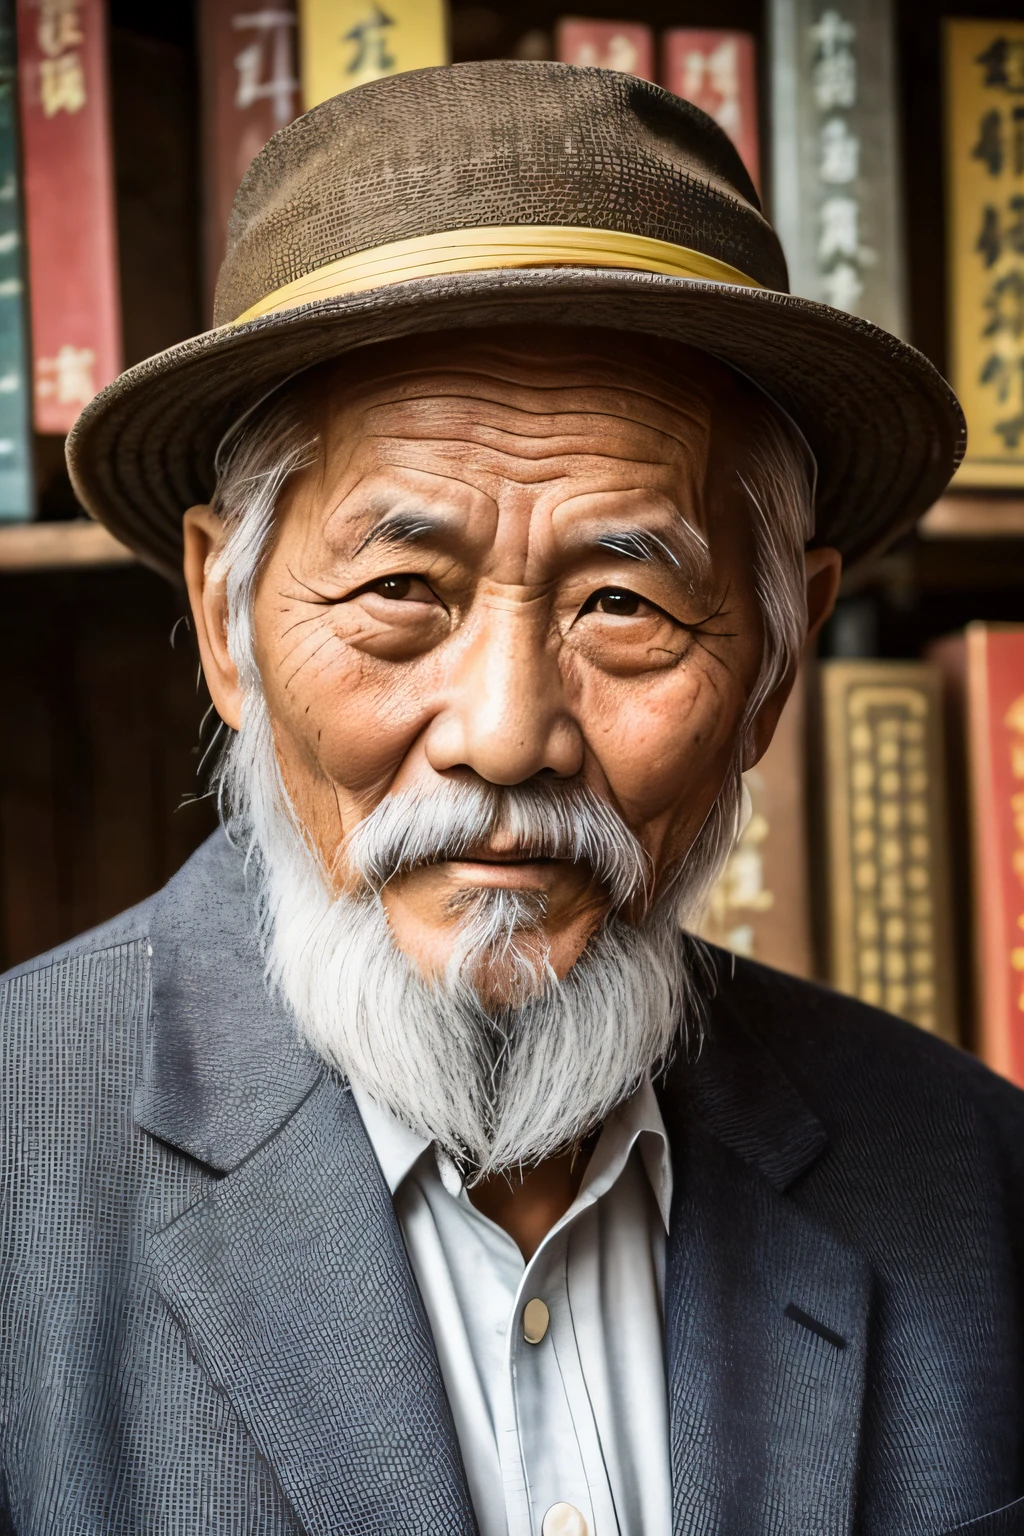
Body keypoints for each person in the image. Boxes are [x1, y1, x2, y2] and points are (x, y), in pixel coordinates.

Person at [2, 61, 1021, 1536]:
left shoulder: (979, 1194)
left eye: (624, 604)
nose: (504, 735)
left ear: (777, 668)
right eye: (400, 591)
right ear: (228, 629)